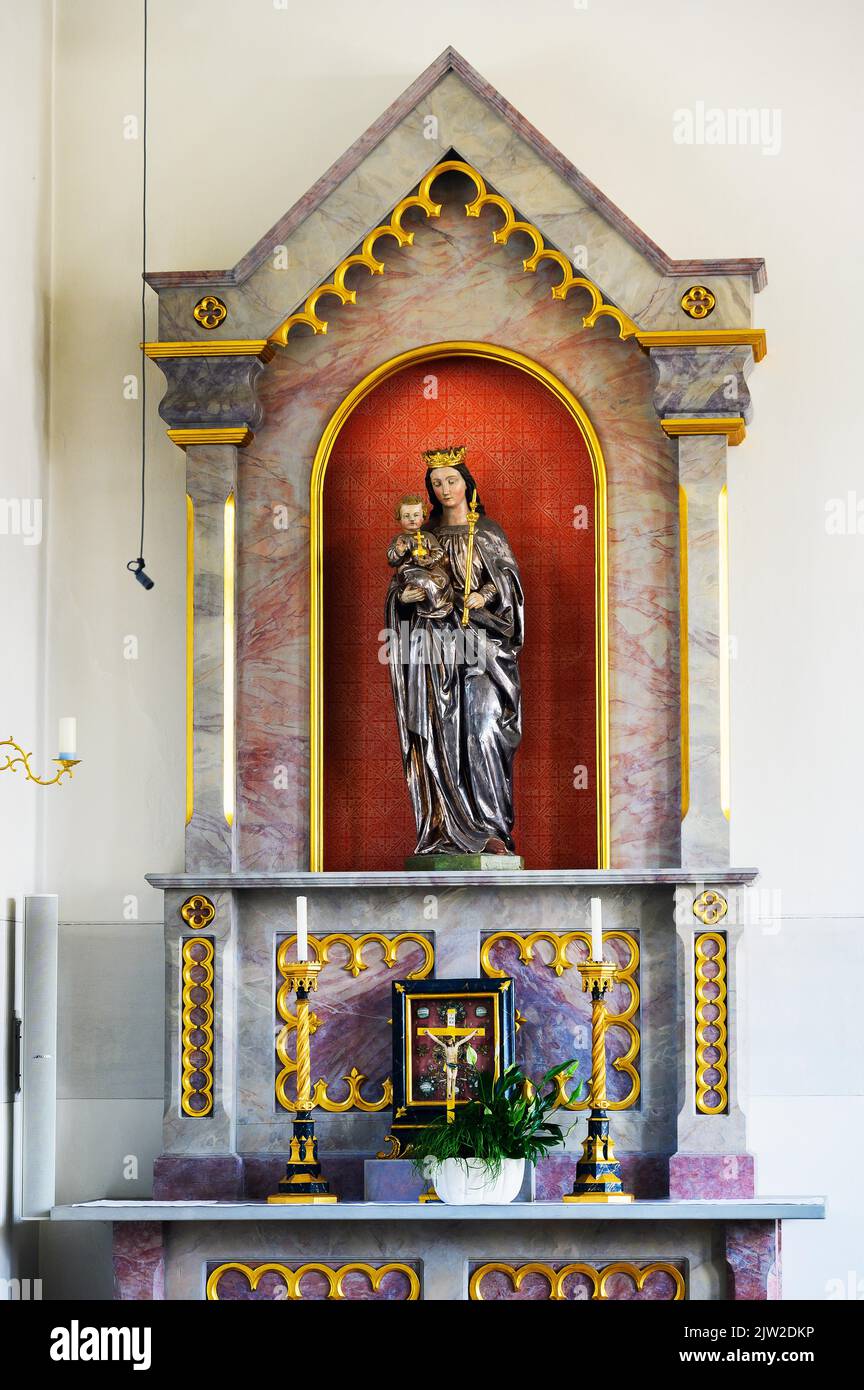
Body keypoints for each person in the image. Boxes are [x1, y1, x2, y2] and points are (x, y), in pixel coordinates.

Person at [385, 446, 524, 858]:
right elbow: (398, 590)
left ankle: (491, 829)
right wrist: (405, 597)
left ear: (467, 482)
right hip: (434, 650)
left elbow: (510, 590)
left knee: (483, 725)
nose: (444, 488)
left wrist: (483, 594)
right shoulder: (421, 537)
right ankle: (446, 830)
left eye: (451, 480)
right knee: (440, 732)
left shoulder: (488, 534)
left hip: (482, 648)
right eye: (436, 483)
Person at [386, 494, 454, 620]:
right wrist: (399, 551)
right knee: (424, 582)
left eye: (416, 515)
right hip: (409, 572)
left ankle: (442, 605)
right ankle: (431, 609)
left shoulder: (428, 537)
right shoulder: (399, 539)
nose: (412, 519)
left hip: (429, 568)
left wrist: (430, 559)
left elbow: (438, 552)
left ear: (423, 517)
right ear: (399, 518)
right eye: (407, 516)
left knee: (444, 579)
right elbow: (392, 560)